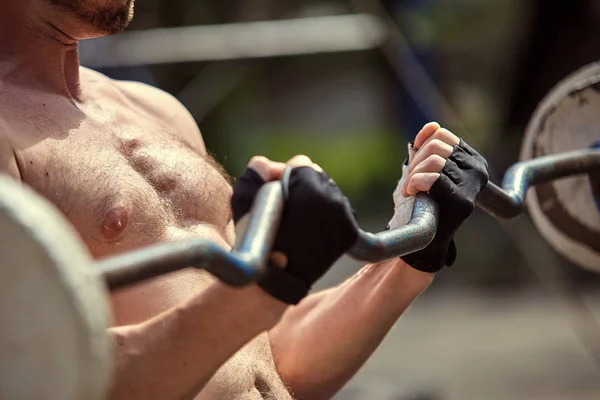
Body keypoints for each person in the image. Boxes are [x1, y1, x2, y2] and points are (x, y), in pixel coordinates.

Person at [0, 1, 489, 399]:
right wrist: (264, 288)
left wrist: (410, 254)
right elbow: (43, 380)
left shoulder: (157, 111)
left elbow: (261, 359)